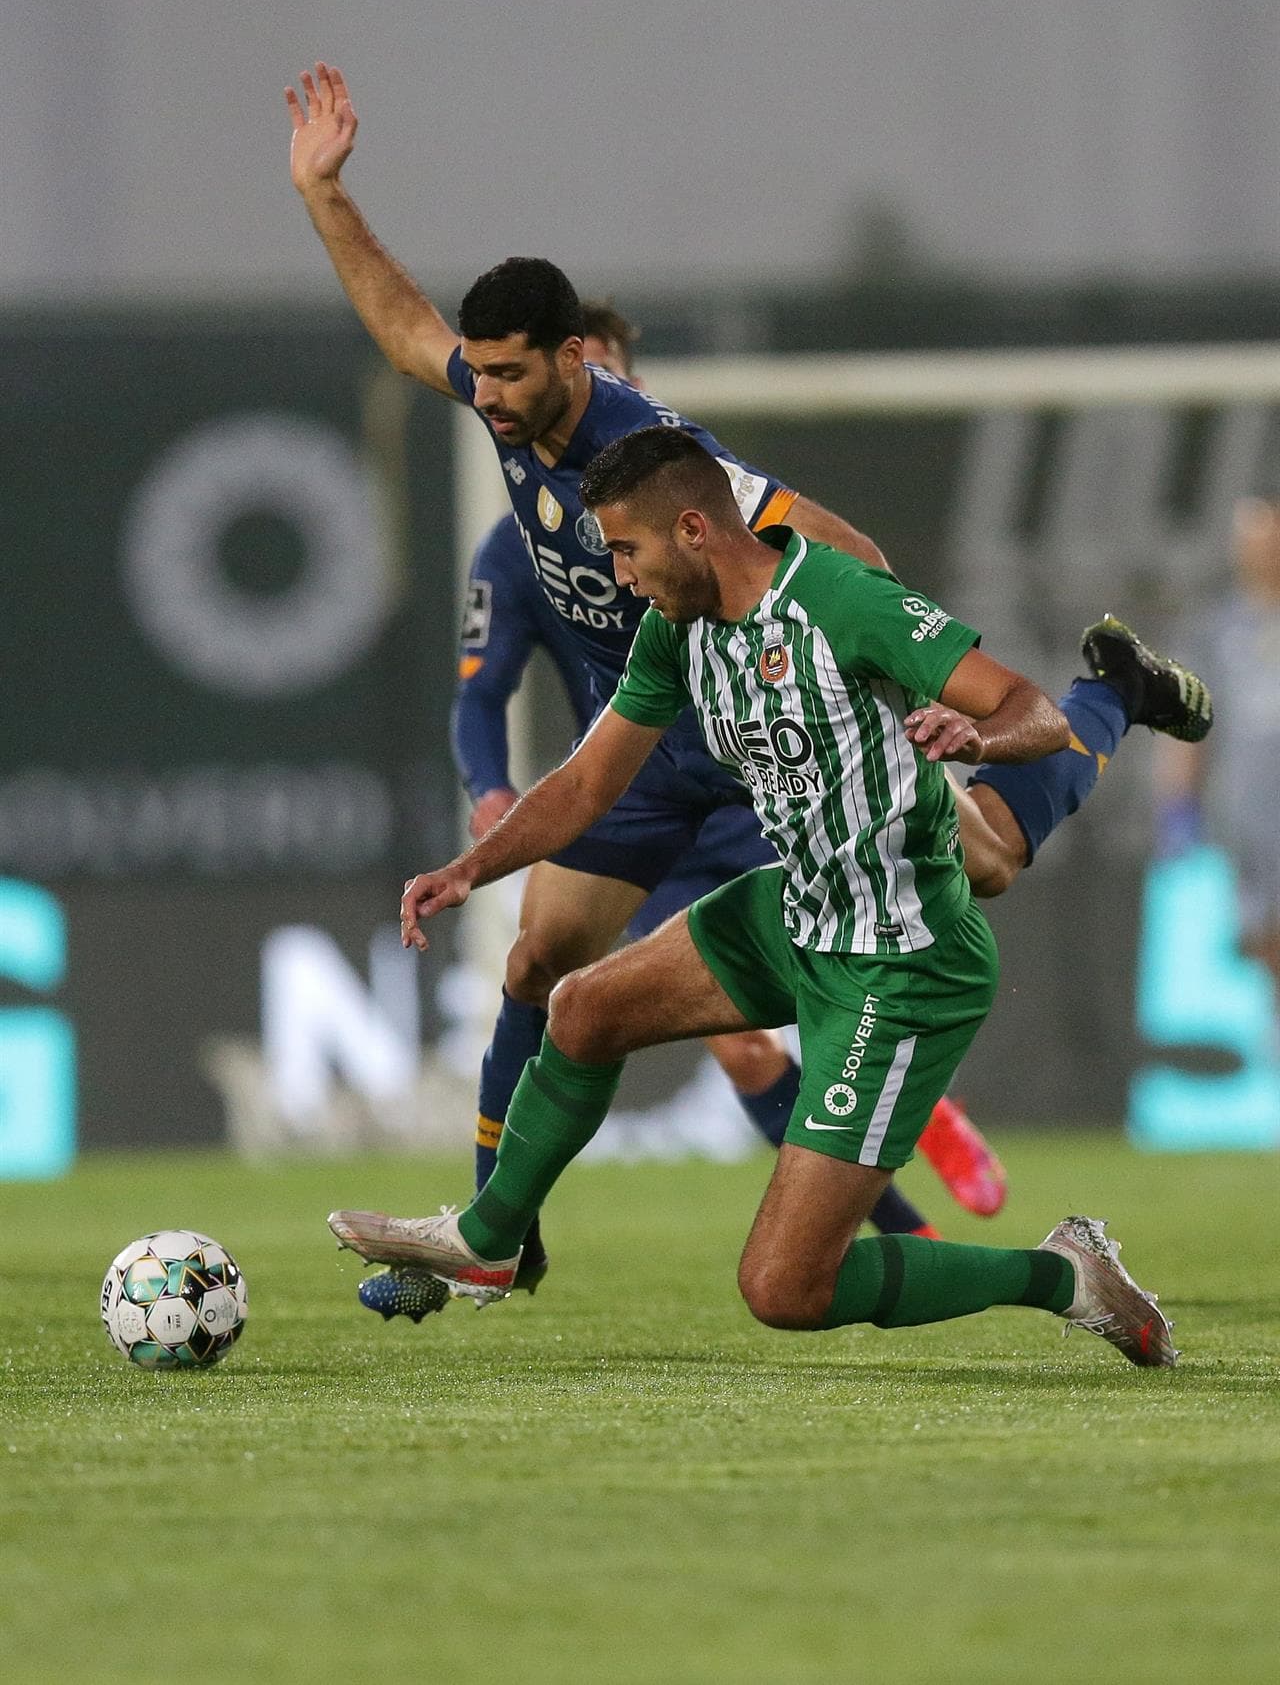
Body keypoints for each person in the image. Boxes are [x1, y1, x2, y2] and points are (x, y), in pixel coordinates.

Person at [330, 427, 1199, 1367]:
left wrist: (981, 737)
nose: (620, 576)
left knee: (784, 1288)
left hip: (899, 962)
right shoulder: (677, 628)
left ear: (695, 529)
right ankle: (489, 1242)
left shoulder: (839, 599)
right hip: (795, 912)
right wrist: (473, 868)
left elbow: (1022, 702)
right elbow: (588, 784)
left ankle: (1064, 1272)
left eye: (627, 549)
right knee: (581, 1008)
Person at [1154, 494, 1280, 990]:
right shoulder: (1216, 630)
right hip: (1244, 828)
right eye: (1247, 535)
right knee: (1253, 946)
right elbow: (1187, 729)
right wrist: (1177, 810)